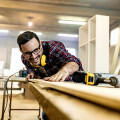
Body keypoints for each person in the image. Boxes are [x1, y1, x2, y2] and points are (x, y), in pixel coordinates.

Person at [17, 31, 83, 120]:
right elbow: (30, 67)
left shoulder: (53, 48)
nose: (33, 56)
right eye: (28, 53)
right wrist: (31, 72)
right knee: (48, 115)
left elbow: (75, 62)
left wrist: (65, 70)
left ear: (40, 44)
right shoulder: (24, 59)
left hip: (74, 87)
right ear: (21, 51)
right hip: (53, 88)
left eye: (36, 50)